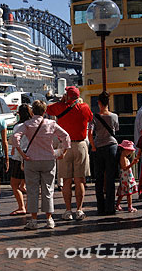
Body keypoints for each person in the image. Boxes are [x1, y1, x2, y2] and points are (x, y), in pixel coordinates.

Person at [12, 100, 70, 230]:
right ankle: (49, 219)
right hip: (48, 159)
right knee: (48, 189)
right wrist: (63, 152)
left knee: (32, 190)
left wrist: (22, 153)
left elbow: (15, 137)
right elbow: (65, 136)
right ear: (44, 111)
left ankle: (33, 220)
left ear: (33, 111)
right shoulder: (51, 123)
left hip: (31, 159)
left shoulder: (27, 124)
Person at [47, 86, 93, 220]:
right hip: (80, 145)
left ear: (67, 96)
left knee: (66, 181)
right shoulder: (84, 107)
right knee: (80, 180)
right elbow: (90, 118)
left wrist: (62, 101)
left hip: (64, 146)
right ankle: (79, 210)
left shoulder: (60, 107)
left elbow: (47, 109)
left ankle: (68, 210)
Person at [88, 91, 119, 215]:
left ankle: (100, 207)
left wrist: (94, 146)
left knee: (99, 178)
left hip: (99, 147)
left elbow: (90, 134)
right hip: (112, 146)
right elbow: (116, 130)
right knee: (111, 178)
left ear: (99, 103)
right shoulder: (114, 116)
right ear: (108, 102)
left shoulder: (94, 117)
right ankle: (110, 207)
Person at [8, 104, 32, 216]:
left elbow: (15, 141)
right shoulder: (33, 125)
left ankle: (21, 206)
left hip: (18, 158)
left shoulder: (17, 126)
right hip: (31, 158)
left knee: (14, 184)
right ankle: (28, 206)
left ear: (19, 114)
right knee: (31, 185)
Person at [115, 140, 139, 212]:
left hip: (126, 177)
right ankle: (129, 206)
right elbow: (125, 167)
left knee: (123, 193)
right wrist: (133, 163)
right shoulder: (123, 158)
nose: (130, 152)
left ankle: (117, 205)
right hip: (126, 178)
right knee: (129, 193)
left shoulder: (123, 157)